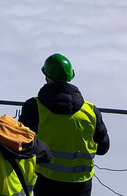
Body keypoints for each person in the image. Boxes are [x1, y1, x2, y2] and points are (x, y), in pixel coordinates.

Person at [19, 54, 110, 196]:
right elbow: (103, 148)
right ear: (71, 76)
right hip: (81, 184)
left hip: (45, 181)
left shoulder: (34, 107)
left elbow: (21, 143)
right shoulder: (91, 111)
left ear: (46, 77)